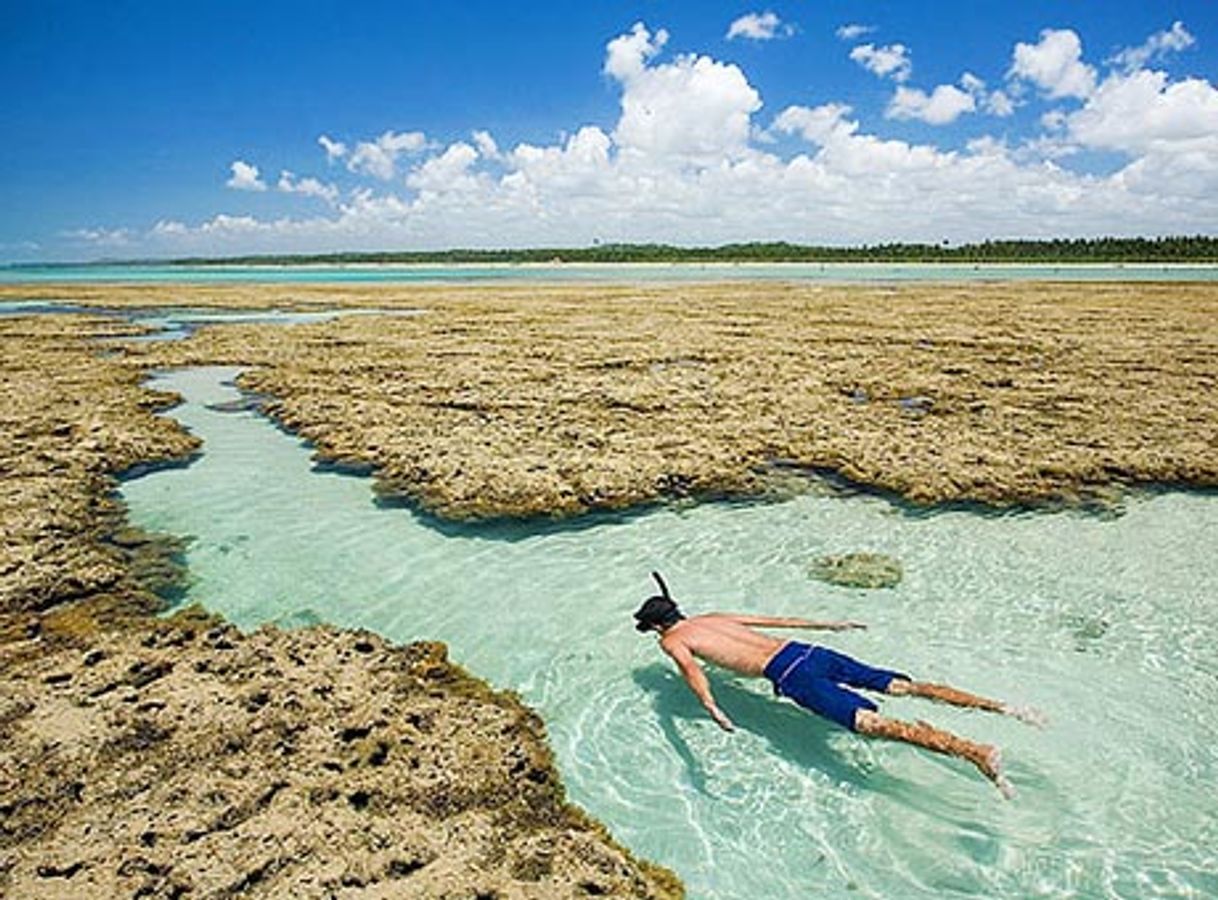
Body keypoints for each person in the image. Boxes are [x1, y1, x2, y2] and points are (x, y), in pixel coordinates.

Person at [634, 572, 1042, 797]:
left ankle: (976, 752)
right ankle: (1005, 708)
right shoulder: (713, 617)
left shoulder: (673, 639)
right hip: (808, 651)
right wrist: (830, 624)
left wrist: (711, 707)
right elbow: (777, 621)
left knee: (870, 724)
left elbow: (693, 671)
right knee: (904, 686)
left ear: (655, 626)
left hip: (792, 676)